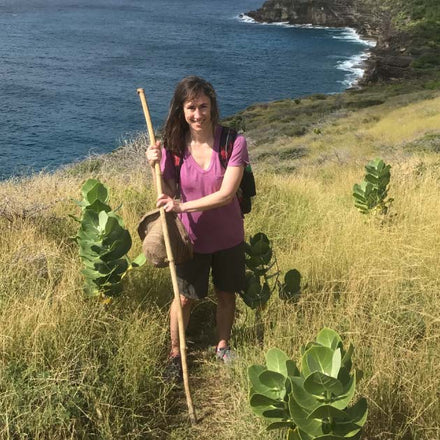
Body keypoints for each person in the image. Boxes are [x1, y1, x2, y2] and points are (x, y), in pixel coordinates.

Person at [146, 76, 249, 377]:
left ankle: (223, 346)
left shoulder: (233, 142)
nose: (198, 114)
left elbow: (226, 194)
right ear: (181, 110)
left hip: (228, 236)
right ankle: (176, 353)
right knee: (183, 298)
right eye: (191, 107)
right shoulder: (174, 147)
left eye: (203, 106)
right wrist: (153, 165)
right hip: (192, 239)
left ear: (212, 106)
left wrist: (182, 207)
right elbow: (166, 192)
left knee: (226, 294)